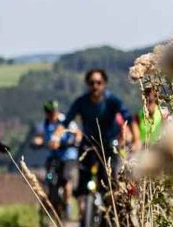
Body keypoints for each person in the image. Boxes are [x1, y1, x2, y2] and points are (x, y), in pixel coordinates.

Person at [54, 68, 130, 205]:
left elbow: (127, 118)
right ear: (87, 84)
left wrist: (130, 136)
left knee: (109, 181)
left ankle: (111, 215)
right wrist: (56, 137)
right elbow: (66, 121)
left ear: (104, 83)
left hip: (108, 145)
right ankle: (84, 215)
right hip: (88, 145)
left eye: (98, 82)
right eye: (91, 82)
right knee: (83, 181)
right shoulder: (81, 102)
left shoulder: (112, 101)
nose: (95, 86)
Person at [29, 99, 79, 220]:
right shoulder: (44, 124)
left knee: (66, 180)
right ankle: (52, 200)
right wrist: (37, 142)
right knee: (50, 178)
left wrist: (74, 141)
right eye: (48, 112)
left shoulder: (66, 121)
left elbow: (77, 133)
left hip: (68, 157)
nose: (51, 114)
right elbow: (40, 137)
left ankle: (67, 204)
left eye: (53, 111)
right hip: (53, 157)